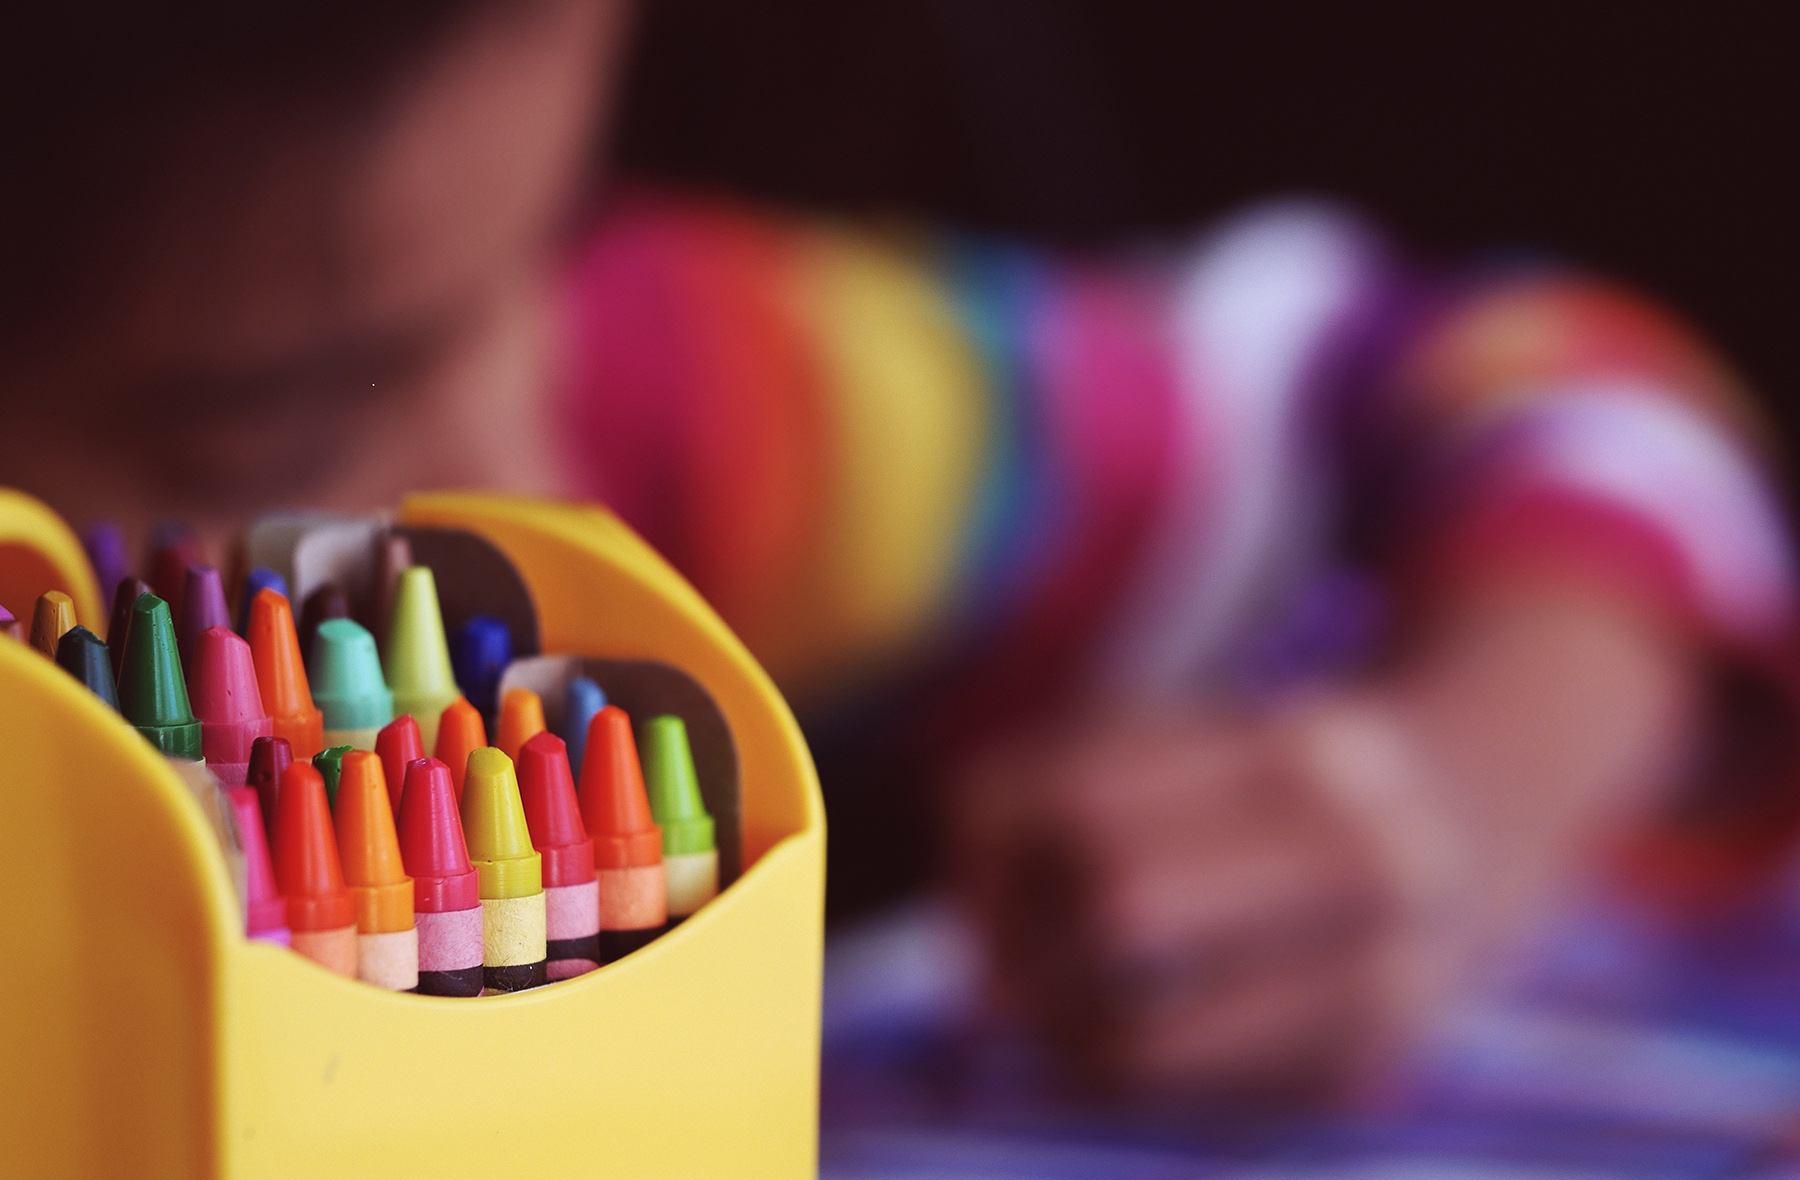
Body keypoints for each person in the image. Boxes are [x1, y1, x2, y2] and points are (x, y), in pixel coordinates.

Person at [2, 0, 1793, 1101]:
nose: (525, 477)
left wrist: (1461, 791)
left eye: (554, 228)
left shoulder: (671, 400)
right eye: (267, 423)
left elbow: (1509, 385)